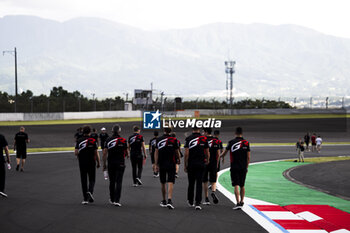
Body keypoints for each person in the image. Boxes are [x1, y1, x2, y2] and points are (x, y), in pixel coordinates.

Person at [221, 127, 250, 210]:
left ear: (235, 133)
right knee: (242, 185)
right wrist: (246, 167)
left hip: (234, 167)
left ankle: (237, 203)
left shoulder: (231, 142)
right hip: (243, 167)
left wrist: (220, 156)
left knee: (236, 185)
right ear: (242, 133)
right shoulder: (246, 143)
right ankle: (242, 201)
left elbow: (224, 153)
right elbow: (248, 157)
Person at [154, 127, 181, 209]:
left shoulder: (158, 140)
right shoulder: (174, 140)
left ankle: (164, 200)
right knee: (170, 181)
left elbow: (156, 153)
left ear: (164, 130)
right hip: (171, 163)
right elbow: (177, 152)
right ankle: (169, 199)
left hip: (162, 163)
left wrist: (156, 164)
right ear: (170, 131)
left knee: (163, 182)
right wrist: (178, 159)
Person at [184, 127, 209, 210]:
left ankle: (190, 201)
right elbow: (207, 152)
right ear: (199, 130)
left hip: (191, 164)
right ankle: (198, 202)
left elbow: (186, 153)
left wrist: (185, 164)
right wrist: (207, 160)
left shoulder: (188, 138)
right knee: (199, 183)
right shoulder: (204, 138)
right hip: (201, 163)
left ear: (192, 130)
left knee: (191, 183)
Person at [103, 124, 128, 206]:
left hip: (111, 163)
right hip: (120, 163)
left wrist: (104, 164)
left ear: (112, 131)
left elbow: (104, 153)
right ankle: (117, 200)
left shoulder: (108, 140)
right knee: (119, 182)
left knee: (112, 181)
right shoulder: (124, 140)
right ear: (119, 131)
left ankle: (112, 198)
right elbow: (127, 152)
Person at [75, 125, 100, 205]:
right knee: (92, 179)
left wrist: (80, 156)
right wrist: (98, 162)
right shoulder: (93, 140)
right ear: (90, 132)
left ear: (83, 132)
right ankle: (90, 191)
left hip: (82, 163)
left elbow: (76, 152)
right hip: (91, 162)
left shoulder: (79, 140)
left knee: (83, 180)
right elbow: (96, 153)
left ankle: (85, 199)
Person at [202, 128, 220, 205]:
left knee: (205, 181)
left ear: (206, 132)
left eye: (203, 132)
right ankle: (213, 192)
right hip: (213, 163)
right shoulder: (216, 141)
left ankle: (206, 198)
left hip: (205, 162)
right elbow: (218, 154)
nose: (203, 133)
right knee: (213, 180)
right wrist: (217, 163)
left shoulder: (202, 140)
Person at [0, 133, 10, 198]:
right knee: (1, 174)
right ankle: (1, 190)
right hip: (0, 159)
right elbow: (6, 149)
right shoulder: (1, 137)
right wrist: (8, 159)